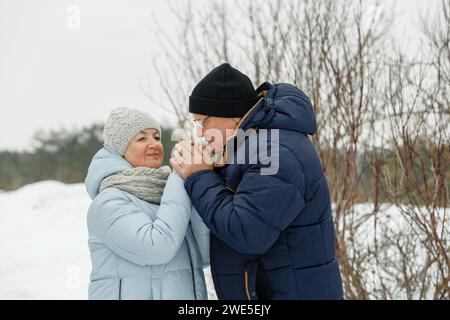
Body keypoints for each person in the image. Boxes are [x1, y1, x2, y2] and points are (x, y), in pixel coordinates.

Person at [171, 63, 344, 300]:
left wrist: (199, 176)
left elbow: (247, 232)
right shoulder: (254, 145)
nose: (201, 134)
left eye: (204, 122)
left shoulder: (276, 151)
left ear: (231, 116)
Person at [85, 107, 209, 300]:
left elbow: (204, 255)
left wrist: (199, 182)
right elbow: (158, 247)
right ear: (120, 148)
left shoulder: (168, 195)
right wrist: (180, 177)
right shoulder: (107, 203)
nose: (154, 144)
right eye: (142, 138)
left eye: (157, 137)